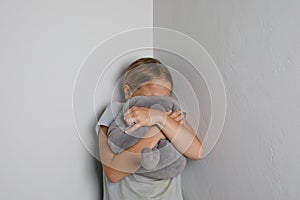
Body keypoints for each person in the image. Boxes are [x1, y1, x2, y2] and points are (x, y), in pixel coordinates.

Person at [95, 57, 203, 200]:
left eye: (163, 100)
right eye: (150, 99)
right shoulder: (114, 112)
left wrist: (161, 118)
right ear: (128, 93)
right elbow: (113, 173)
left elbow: (197, 152)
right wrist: (157, 134)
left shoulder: (168, 115)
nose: (156, 106)